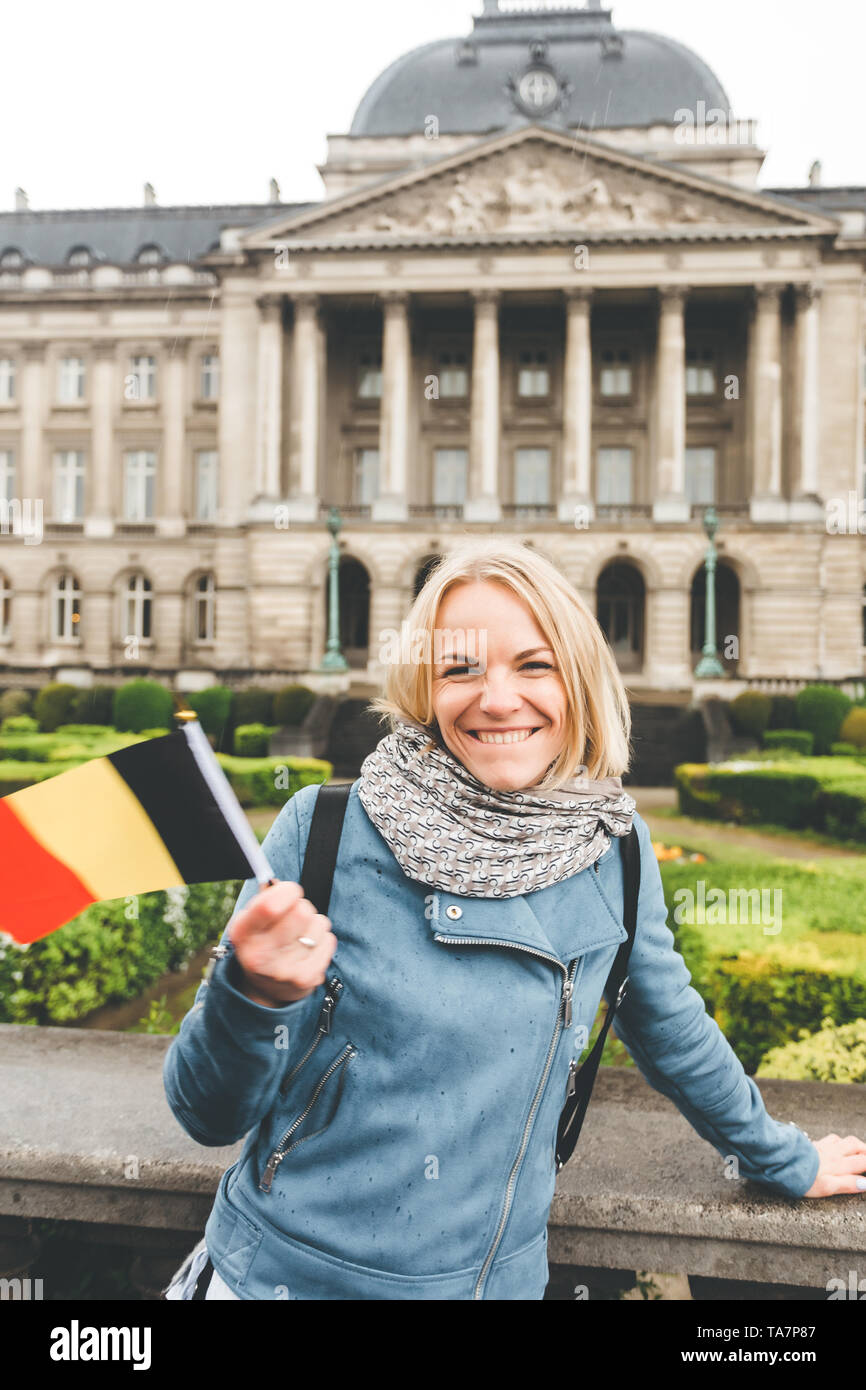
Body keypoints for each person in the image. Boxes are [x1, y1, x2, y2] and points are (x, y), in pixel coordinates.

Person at [163, 539, 866, 1301]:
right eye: (460, 667)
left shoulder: (614, 849)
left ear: (578, 678)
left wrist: (782, 1157)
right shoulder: (325, 828)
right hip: (283, 1282)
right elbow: (206, 1112)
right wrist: (252, 994)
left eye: (534, 665)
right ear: (426, 686)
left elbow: (671, 1029)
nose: (496, 699)